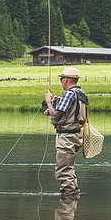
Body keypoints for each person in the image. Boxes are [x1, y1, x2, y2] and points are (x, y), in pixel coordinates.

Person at [42, 66, 88, 198]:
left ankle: (68, 201)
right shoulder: (82, 94)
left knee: (63, 171)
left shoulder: (69, 94)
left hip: (67, 137)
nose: (61, 81)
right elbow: (69, 113)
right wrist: (50, 109)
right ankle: (72, 200)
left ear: (66, 80)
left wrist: (49, 102)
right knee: (69, 169)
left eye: (62, 79)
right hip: (76, 135)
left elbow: (56, 115)